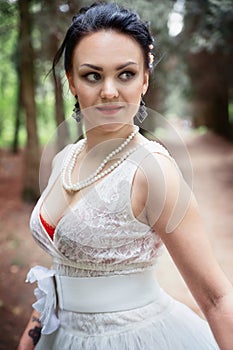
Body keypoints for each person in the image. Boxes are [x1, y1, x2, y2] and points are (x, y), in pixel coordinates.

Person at [17, 2, 233, 350]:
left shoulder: (154, 172)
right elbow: (59, 274)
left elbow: (217, 297)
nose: (109, 91)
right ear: (71, 80)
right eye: (92, 75)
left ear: (145, 79)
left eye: (126, 74)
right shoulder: (63, 160)